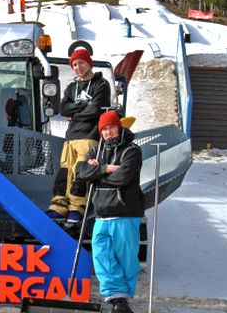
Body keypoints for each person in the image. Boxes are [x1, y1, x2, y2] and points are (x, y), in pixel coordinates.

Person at [75, 110, 144, 313]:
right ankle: (117, 298)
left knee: (126, 258)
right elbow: (81, 171)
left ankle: (125, 297)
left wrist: (95, 174)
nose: (107, 133)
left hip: (125, 212)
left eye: (111, 127)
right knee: (102, 257)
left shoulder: (132, 150)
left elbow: (122, 177)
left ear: (119, 127)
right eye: (104, 129)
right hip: (101, 214)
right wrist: (105, 169)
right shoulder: (96, 151)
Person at [46, 48, 111, 223]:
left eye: (81, 62)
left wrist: (75, 112)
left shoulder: (101, 85)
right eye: (74, 64)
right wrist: (82, 108)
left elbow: (95, 110)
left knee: (80, 171)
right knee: (65, 171)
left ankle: (77, 207)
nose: (78, 67)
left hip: (89, 134)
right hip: (71, 136)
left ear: (89, 62)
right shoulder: (72, 87)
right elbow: (63, 108)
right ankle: (59, 205)